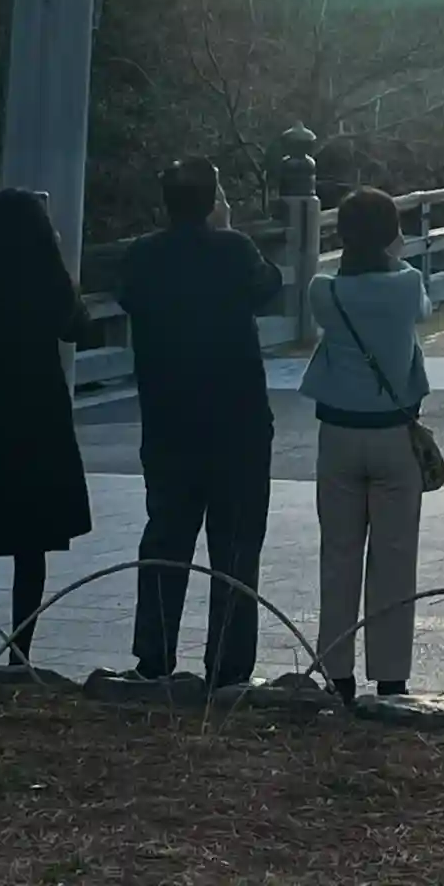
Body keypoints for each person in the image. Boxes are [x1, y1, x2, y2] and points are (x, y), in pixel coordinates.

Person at [118, 157, 283, 687]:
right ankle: (228, 666)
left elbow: (125, 297)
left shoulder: (143, 255)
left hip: (168, 421)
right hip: (238, 422)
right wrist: (226, 230)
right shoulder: (234, 250)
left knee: (166, 538)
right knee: (236, 546)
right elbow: (270, 287)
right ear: (213, 202)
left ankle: (154, 656)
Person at [0, 189, 92, 667]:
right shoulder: (50, 278)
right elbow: (77, 327)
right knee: (32, 545)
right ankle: (19, 653)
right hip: (37, 412)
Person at [300, 187, 432, 703]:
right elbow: (423, 310)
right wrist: (395, 254)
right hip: (395, 435)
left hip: (337, 434)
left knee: (338, 556)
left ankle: (337, 671)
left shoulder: (324, 291)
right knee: (395, 559)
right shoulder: (407, 284)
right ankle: (391, 675)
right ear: (392, 233)